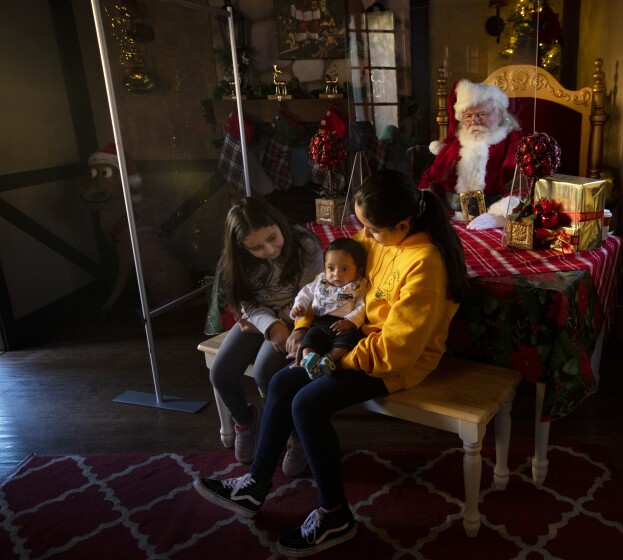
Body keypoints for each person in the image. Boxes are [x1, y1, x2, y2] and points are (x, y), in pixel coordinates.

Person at [193, 169, 470, 557]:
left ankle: (334, 514)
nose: (365, 237)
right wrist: (305, 330)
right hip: (352, 340)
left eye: (370, 229)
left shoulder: (424, 262)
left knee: (307, 402)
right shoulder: (382, 237)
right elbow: (328, 287)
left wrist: (333, 361)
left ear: (402, 225)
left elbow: (398, 350)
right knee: (281, 382)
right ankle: (256, 486)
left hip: (395, 362)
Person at [208, 197, 323, 467]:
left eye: (272, 238)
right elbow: (245, 302)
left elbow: (310, 295)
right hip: (260, 320)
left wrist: (281, 324)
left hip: (298, 318)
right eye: (257, 247)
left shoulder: (305, 244)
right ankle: (245, 421)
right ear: (242, 247)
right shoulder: (236, 259)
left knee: (265, 373)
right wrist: (269, 326)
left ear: (279, 223)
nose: (269, 250)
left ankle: (295, 434)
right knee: (221, 373)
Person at [417, 79, 524, 215]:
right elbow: (430, 179)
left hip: (495, 219)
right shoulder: (454, 146)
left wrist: (499, 216)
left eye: (482, 114)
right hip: (450, 217)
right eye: (468, 115)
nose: (474, 120)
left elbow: (523, 188)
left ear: (500, 113)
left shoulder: (513, 143)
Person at [290, 237, 368, 380]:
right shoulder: (322, 280)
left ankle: (329, 359)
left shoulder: (358, 285)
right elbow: (305, 293)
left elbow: (362, 306)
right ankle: (309, 359)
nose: (336, 274)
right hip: (321, 323)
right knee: (310, 338)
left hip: (344, 325)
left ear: (359, 270)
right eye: (331, 268)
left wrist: (350, 321)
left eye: (344, 269)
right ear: (325, 267)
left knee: (351, 339)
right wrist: (299, 306)